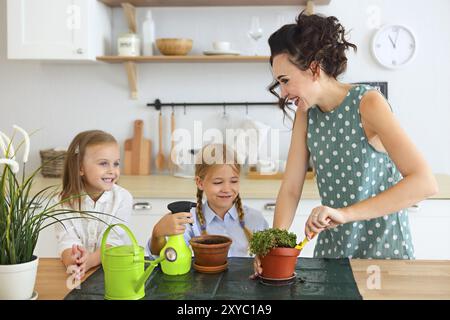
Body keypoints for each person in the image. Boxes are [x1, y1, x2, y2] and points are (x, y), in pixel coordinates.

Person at [254, 11, 438, 275]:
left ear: (314, 68)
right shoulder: (306, 114)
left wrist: (346, 214)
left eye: (285, 81)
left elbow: (424, 182)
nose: (282, 93)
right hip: (334, 252)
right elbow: (291, 188)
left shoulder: (368, 103)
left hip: (383, 253)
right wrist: (274, 246)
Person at [148, 144, 269, 257]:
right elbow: (166, 258)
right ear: (200, 183)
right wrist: (157, 234)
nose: (227, 189)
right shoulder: (190, 221)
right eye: (218, 182)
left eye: (234, 181)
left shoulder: (256, 219)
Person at [54, 130, 133, 278]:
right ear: (80, 168)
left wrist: (90, 261)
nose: (112, 170)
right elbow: (66, 241)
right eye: (103, 163)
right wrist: (74, 261)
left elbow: (113, 242)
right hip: (80, 275)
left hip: (115, 273)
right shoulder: (62, 201)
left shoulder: (123, 198)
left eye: (116, 163)